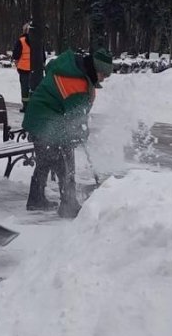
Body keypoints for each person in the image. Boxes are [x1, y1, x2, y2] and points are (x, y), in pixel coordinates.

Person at [23, 46, 113, 218]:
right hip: (44, 120)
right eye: (103, 75)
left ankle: (36, 200)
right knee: (64, 162)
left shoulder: (75, 70)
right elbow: (76, 118)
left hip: (42, 118)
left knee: (46, 160)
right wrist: (80, 135)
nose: (103, 79)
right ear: (96, 69)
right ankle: (68, 205)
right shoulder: (76, 81)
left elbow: (76, 116)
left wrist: (78, 133)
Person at [11, 23, 32, 111]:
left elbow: (16, 55)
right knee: (34, 87)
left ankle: (26, 106)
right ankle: (34, 105)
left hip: (23, 68)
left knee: (25, 88)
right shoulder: (37, 40)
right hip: (35, 68)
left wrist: (16, 62)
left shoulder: (21, 41)